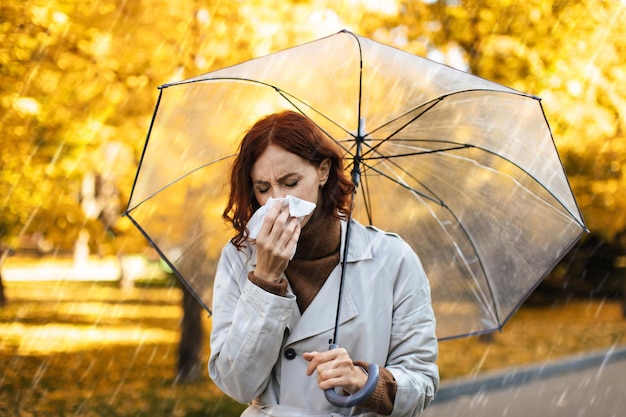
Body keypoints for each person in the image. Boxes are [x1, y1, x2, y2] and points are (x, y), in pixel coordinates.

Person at [209, 110, 439, 417]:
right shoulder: (240, 257)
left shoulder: (392, 258)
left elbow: (422, 381)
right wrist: (265, 278)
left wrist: (366, 382)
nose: (277, 201)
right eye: (263, 189)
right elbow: (236, 384)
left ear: (323, 171)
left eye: (290, 182)